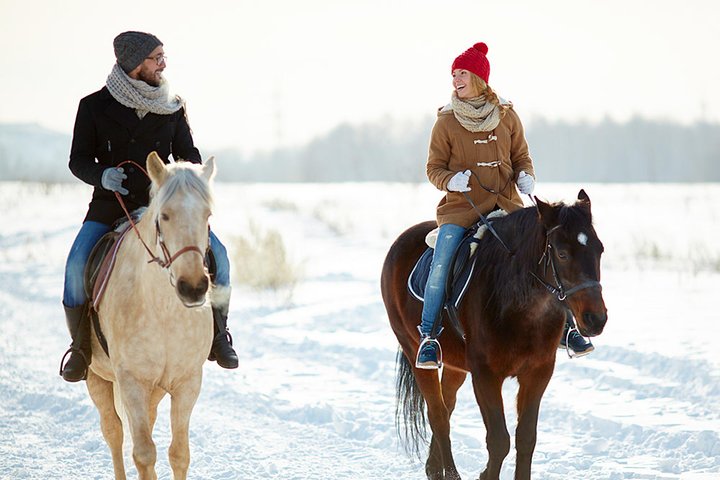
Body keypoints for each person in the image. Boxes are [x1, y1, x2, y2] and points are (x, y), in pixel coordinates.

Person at [59, 31, 238, 382]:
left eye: (163, 57)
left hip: (166, 209)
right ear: (134, 63)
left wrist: (186, 176)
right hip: (111, 205)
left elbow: (189, 154)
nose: (163, 65)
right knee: (76, 264)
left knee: (220, 257)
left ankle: (219, 335)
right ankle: (80, 348)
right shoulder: (93, 106)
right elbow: (77, 160)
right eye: (156, 58)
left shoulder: (173, 105)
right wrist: (103, 175)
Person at [416, 42, 537, 369]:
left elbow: (521, 157)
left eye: (462, 73)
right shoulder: (446, 122)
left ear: (480, 78)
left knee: (545, 249)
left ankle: (567, 327)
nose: (456, 79)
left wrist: (526, 176)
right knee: (441, 263)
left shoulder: (507, 116)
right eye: (453, 74)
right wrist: (450, 181)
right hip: (461, 210)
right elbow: (433, 168)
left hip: (507, 205)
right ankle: (429, 337)